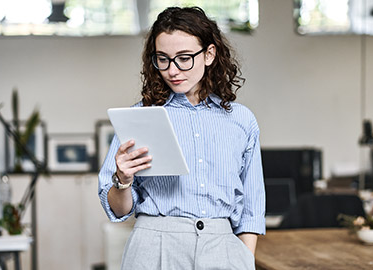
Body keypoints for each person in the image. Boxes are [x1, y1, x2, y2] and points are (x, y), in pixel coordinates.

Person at [98, 6, 265, 270]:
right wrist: (123, 180)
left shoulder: (241, 120)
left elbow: (252, 211)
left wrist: (243, 259)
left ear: (209, 54)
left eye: (184, 58)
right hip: (154, 247)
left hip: (223, 248)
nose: (172, 70)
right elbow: (119, 210)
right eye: (162, 59)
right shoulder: (139, 117)